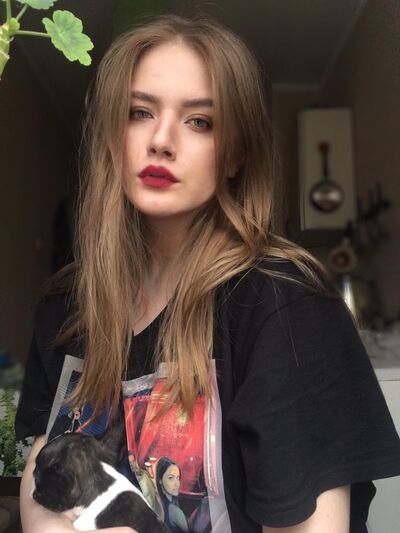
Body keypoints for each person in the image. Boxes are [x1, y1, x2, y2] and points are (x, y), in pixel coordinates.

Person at [15, 14, 400, 533]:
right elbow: (40, 461)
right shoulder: (64, 306)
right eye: (139, 112)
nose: (161, 139)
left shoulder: (286, 306)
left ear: (236, 154)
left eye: (199, 121)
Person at [156, 457, 190, 532]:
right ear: (160, 480)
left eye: (178, 478)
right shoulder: (173, 511)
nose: (177, 484)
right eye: (171, 478)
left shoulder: (160, 502)